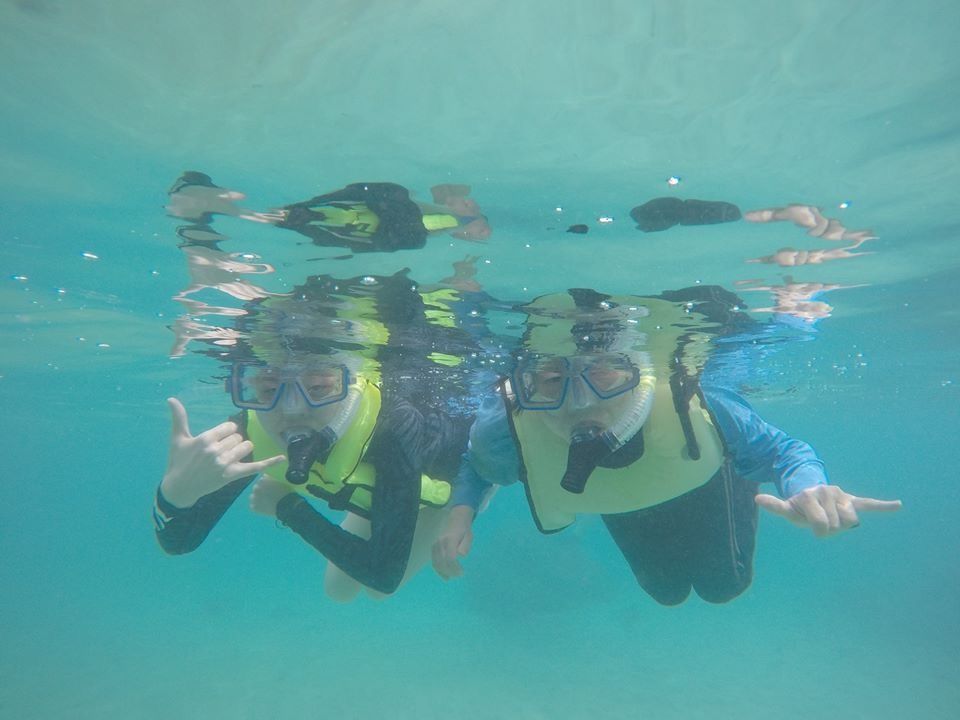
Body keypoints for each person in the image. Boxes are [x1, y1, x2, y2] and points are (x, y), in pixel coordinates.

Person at [432, 288, 901, 605]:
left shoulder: (689, 399)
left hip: (698, 468)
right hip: (620, 496)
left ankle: (788, 321)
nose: (580, 403)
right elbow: (479, 464)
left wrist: (808, 486)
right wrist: (460, 514)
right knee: (666, 592)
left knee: (725, 585)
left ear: (637, 371)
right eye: (552, 381)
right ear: (525, 382)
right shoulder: (505, 425)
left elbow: (784, 452)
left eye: (603, 375)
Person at [154, 272, 474, 600]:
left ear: (348, 381)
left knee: (374, 593)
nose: (292, 411)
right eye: (269, 389)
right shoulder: (248, 433)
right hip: (384, 489)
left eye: (318, 388)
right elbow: (178, 542)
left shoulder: (394, 423)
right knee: (338, 591)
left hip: (446, 481)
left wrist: (287, 507)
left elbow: (383, 575)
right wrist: (175, 493)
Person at [166, 171, 491, 254]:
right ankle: (207, 202)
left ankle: (208, 205)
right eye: (470, 205)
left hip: (362, 222)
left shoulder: (444, 220)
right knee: (285, 217)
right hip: (362, 218)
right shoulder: (446, 219)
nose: (473, 208)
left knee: (286, 217)